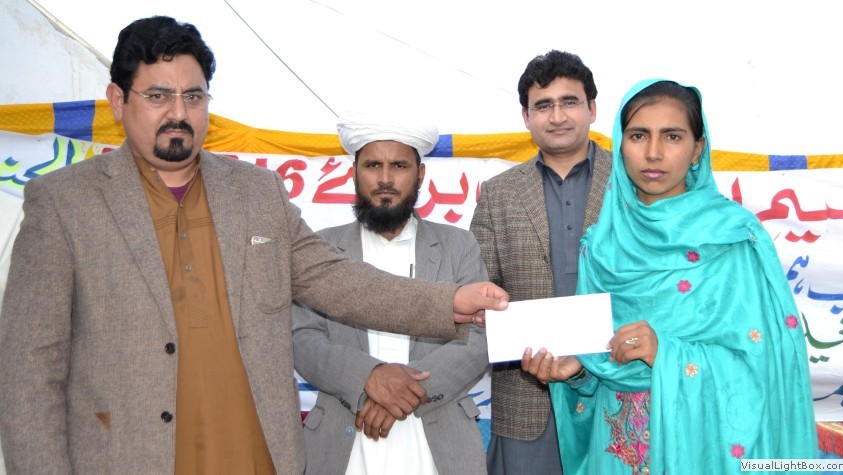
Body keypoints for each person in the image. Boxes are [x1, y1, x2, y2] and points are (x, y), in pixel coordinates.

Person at [0, 16, 507, 475]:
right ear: (118, 100)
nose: (178, 113)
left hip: (256, 455)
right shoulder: (64, 203)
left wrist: (449, 302)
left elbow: (334, 279)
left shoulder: (255, 192)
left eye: (193, 97)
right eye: (158, 96)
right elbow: (28, 372)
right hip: (127, 457)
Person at [522, 79, 818, 473]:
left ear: (697, 148)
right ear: (620, 145)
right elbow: (599, 368)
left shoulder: (732, 238)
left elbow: (767, 368)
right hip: (617, 453)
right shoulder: (602, 245)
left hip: (703, 452)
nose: (653, 152)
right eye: (638, 135)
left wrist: (667, 353)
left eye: (672, 136)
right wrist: (577, 373)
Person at [292, 112, 490, 474]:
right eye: (373, 165)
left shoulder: (458, 245)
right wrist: (367, 378)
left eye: (399, 165)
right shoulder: (320, 248)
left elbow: (479, 337)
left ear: (420, 174)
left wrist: (401, 392)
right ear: (354, 172)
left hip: (438, 433)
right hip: (344, 434)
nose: (385, 178)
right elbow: (302, 338)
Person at [469, 50, 612, 474]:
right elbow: (480, 287)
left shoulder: (629, 183)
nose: (557, 116)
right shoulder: (499, 194)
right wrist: (484, 310)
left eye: (570, 102)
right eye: (543, 105)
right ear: (526, 117)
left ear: (592, 108)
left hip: (617, 389)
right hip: (527, 398)